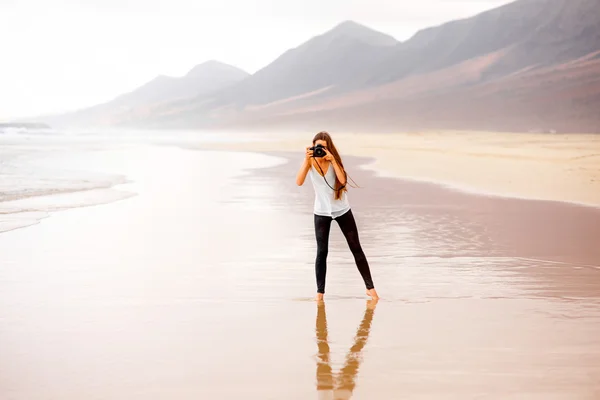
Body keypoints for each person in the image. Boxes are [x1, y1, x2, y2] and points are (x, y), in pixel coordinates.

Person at [296, 131, 379, 301]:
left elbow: (342, 181)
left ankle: (370, 289)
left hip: (341, 209)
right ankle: (320, 294)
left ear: (329, 149)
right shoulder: (310, 162)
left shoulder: (333, 161)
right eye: (317, 147)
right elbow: (299, 182)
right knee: (322, 252)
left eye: (324, 148)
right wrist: (306, 160)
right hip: (321, 211)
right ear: (312, 147)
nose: (320, 151)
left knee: (356, 248)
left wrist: (332, 160)